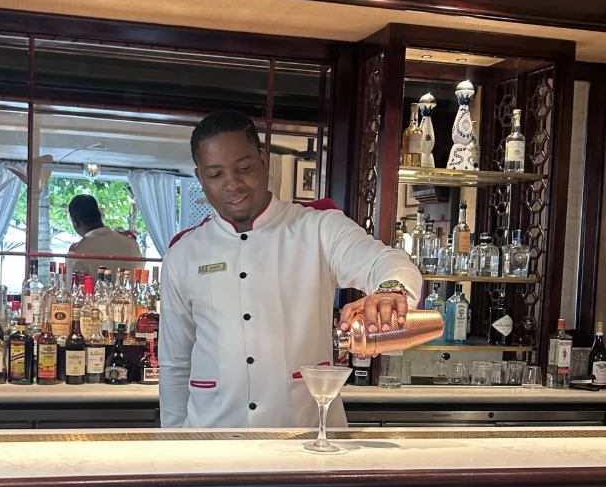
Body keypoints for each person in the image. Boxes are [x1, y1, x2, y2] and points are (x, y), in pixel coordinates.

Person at [159, 110, 423, 429]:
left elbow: (388, 262)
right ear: (200, 178)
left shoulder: (318, 228)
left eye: (243, 168)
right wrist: (172, 444)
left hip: (308, 438)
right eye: (216, 175)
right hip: (213, 443)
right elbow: (174, 364)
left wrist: (390, 290)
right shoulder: (183, 253)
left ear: (263, 158)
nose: (233, 185)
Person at [66, 194, 142, 281]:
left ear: (75, 222)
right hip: (129, 294)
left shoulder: (78, 252)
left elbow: (71, 291)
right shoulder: (131, 243)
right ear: (100, 215)